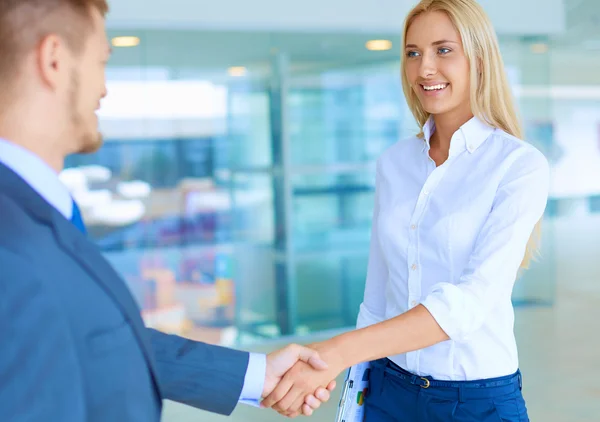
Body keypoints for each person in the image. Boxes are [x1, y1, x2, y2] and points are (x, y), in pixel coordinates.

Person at [0, 0, 335, 420]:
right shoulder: (9, 240)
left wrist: (257, 374)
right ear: (53, 60)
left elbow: (97, 337)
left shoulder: (38, 208)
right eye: (101, 62)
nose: (104, 88)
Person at [261, 0, 550, 420]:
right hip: (386, 388)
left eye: (443, 50)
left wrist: (337, 351)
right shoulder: (394, 163)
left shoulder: (519, 165)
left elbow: (471, 302)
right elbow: (378, 295)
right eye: (413, 53)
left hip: (473, 400)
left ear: (481, 59)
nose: (424, 68)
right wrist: (339, 373)